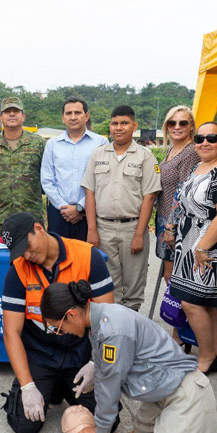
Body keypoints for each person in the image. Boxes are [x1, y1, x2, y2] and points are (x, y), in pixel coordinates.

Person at [40, 281, 217, 433]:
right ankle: (212, 428)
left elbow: (110, 386)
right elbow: (109, 371)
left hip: (184, 393)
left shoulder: (112, 331)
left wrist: (100, 429)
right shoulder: (101, 319)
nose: (60, 334)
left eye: (57, 328)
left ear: (71, 314)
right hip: (160, 393)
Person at [0, 212, 115, 433]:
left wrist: (94, 363)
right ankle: (48, 388)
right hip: (41, 354)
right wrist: (27, 386)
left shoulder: (87, 256)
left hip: (80, 352)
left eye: (27, 245)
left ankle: (60, 388)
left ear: (39, 228)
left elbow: (107, 318)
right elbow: (11, 332)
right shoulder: (18, 271)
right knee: (24, 424)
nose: (27, 254)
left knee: (107, 421)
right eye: (20, 251)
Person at [168, 122, 217, 374]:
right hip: (188, 243)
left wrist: (202, 247)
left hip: (211, 245)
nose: (205, 143)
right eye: (199, 138)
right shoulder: (199, 167)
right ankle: (215, 356)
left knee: (192, 304)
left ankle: (206, 358)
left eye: (212, 138)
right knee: (207, 304)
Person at [82, 105, 161, 311]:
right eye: (115, 123)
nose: (119, 128)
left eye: (124, 123)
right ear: (109, 126)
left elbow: (149, 197)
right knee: (109, 286)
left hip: (132, 228)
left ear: (134, 126)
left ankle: (130, 334)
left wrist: (138, 234)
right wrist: (92, 230)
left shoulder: (145, 156)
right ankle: (114, 335)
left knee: (134, 288)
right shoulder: (98, 154)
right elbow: (89, 192)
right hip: (103, 228)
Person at [41, 97, 107, 241]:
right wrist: (64, 207)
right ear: (63, 118)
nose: (73, 117)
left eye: (77, 113)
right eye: (68, 113)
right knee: (58, 257)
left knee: (87, 258)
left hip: (89, 213)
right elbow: (47, 180)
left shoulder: (101, 142)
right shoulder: (52, 144)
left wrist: (79, 207)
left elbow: (102, 180)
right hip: (58, 213)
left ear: (87, 116)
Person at [0, 96, 45, 232]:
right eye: (7, 111)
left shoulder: (38, 143)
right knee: (3, 252)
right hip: (2, 217)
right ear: (1, 117)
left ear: (23, 116)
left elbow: (46, 175)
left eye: (16, 111)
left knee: (35, 252)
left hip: (32, 215)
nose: (11, 114)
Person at [155, 106, 200, 283]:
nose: (177, 126)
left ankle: (182, 312)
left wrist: (170, 226)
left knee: (174, 278)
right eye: (172, 123)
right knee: (170, 277)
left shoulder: (190, 152)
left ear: (191, 127)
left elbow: (183, 191)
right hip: (164, 220)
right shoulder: (171, 150)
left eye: (183, 123)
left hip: (178, 225)